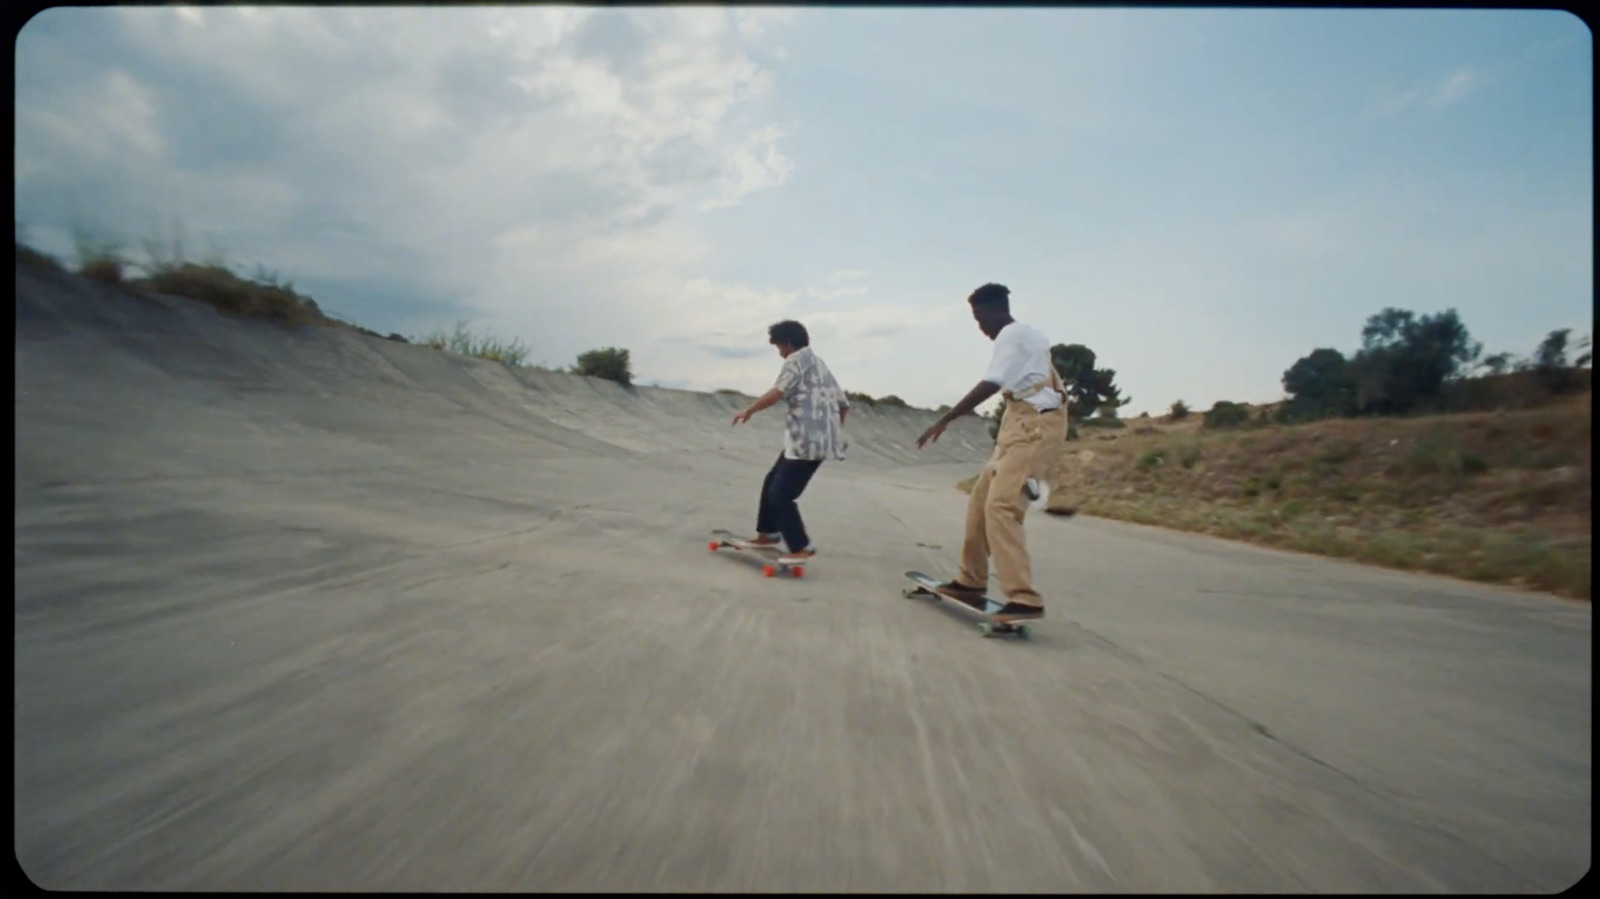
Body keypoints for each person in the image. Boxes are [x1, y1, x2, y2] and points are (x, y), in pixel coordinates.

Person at [915, 283, 1069, 623]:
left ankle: (1024, 598)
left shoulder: (1012, 335)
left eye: (979, 318)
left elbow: (991, 382)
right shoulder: (1026, 337)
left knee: (1002, 507)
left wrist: (945, 419)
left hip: (1036, 427)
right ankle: (970, 581)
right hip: (1017, 422)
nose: (980, 327)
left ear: (993, 310)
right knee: (979, 503)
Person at [732, 320, 850, 564]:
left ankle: (802, 546)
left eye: (778, 347)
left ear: (787, 343)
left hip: (805, 442)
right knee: (771, 481)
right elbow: (843, 403)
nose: (779, 352)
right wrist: (832, 430)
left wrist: (749, 410)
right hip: (816, 442)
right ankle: (768, 534)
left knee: (781, 495)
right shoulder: (819, 363)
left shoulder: (796, 360)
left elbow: (778, 392)